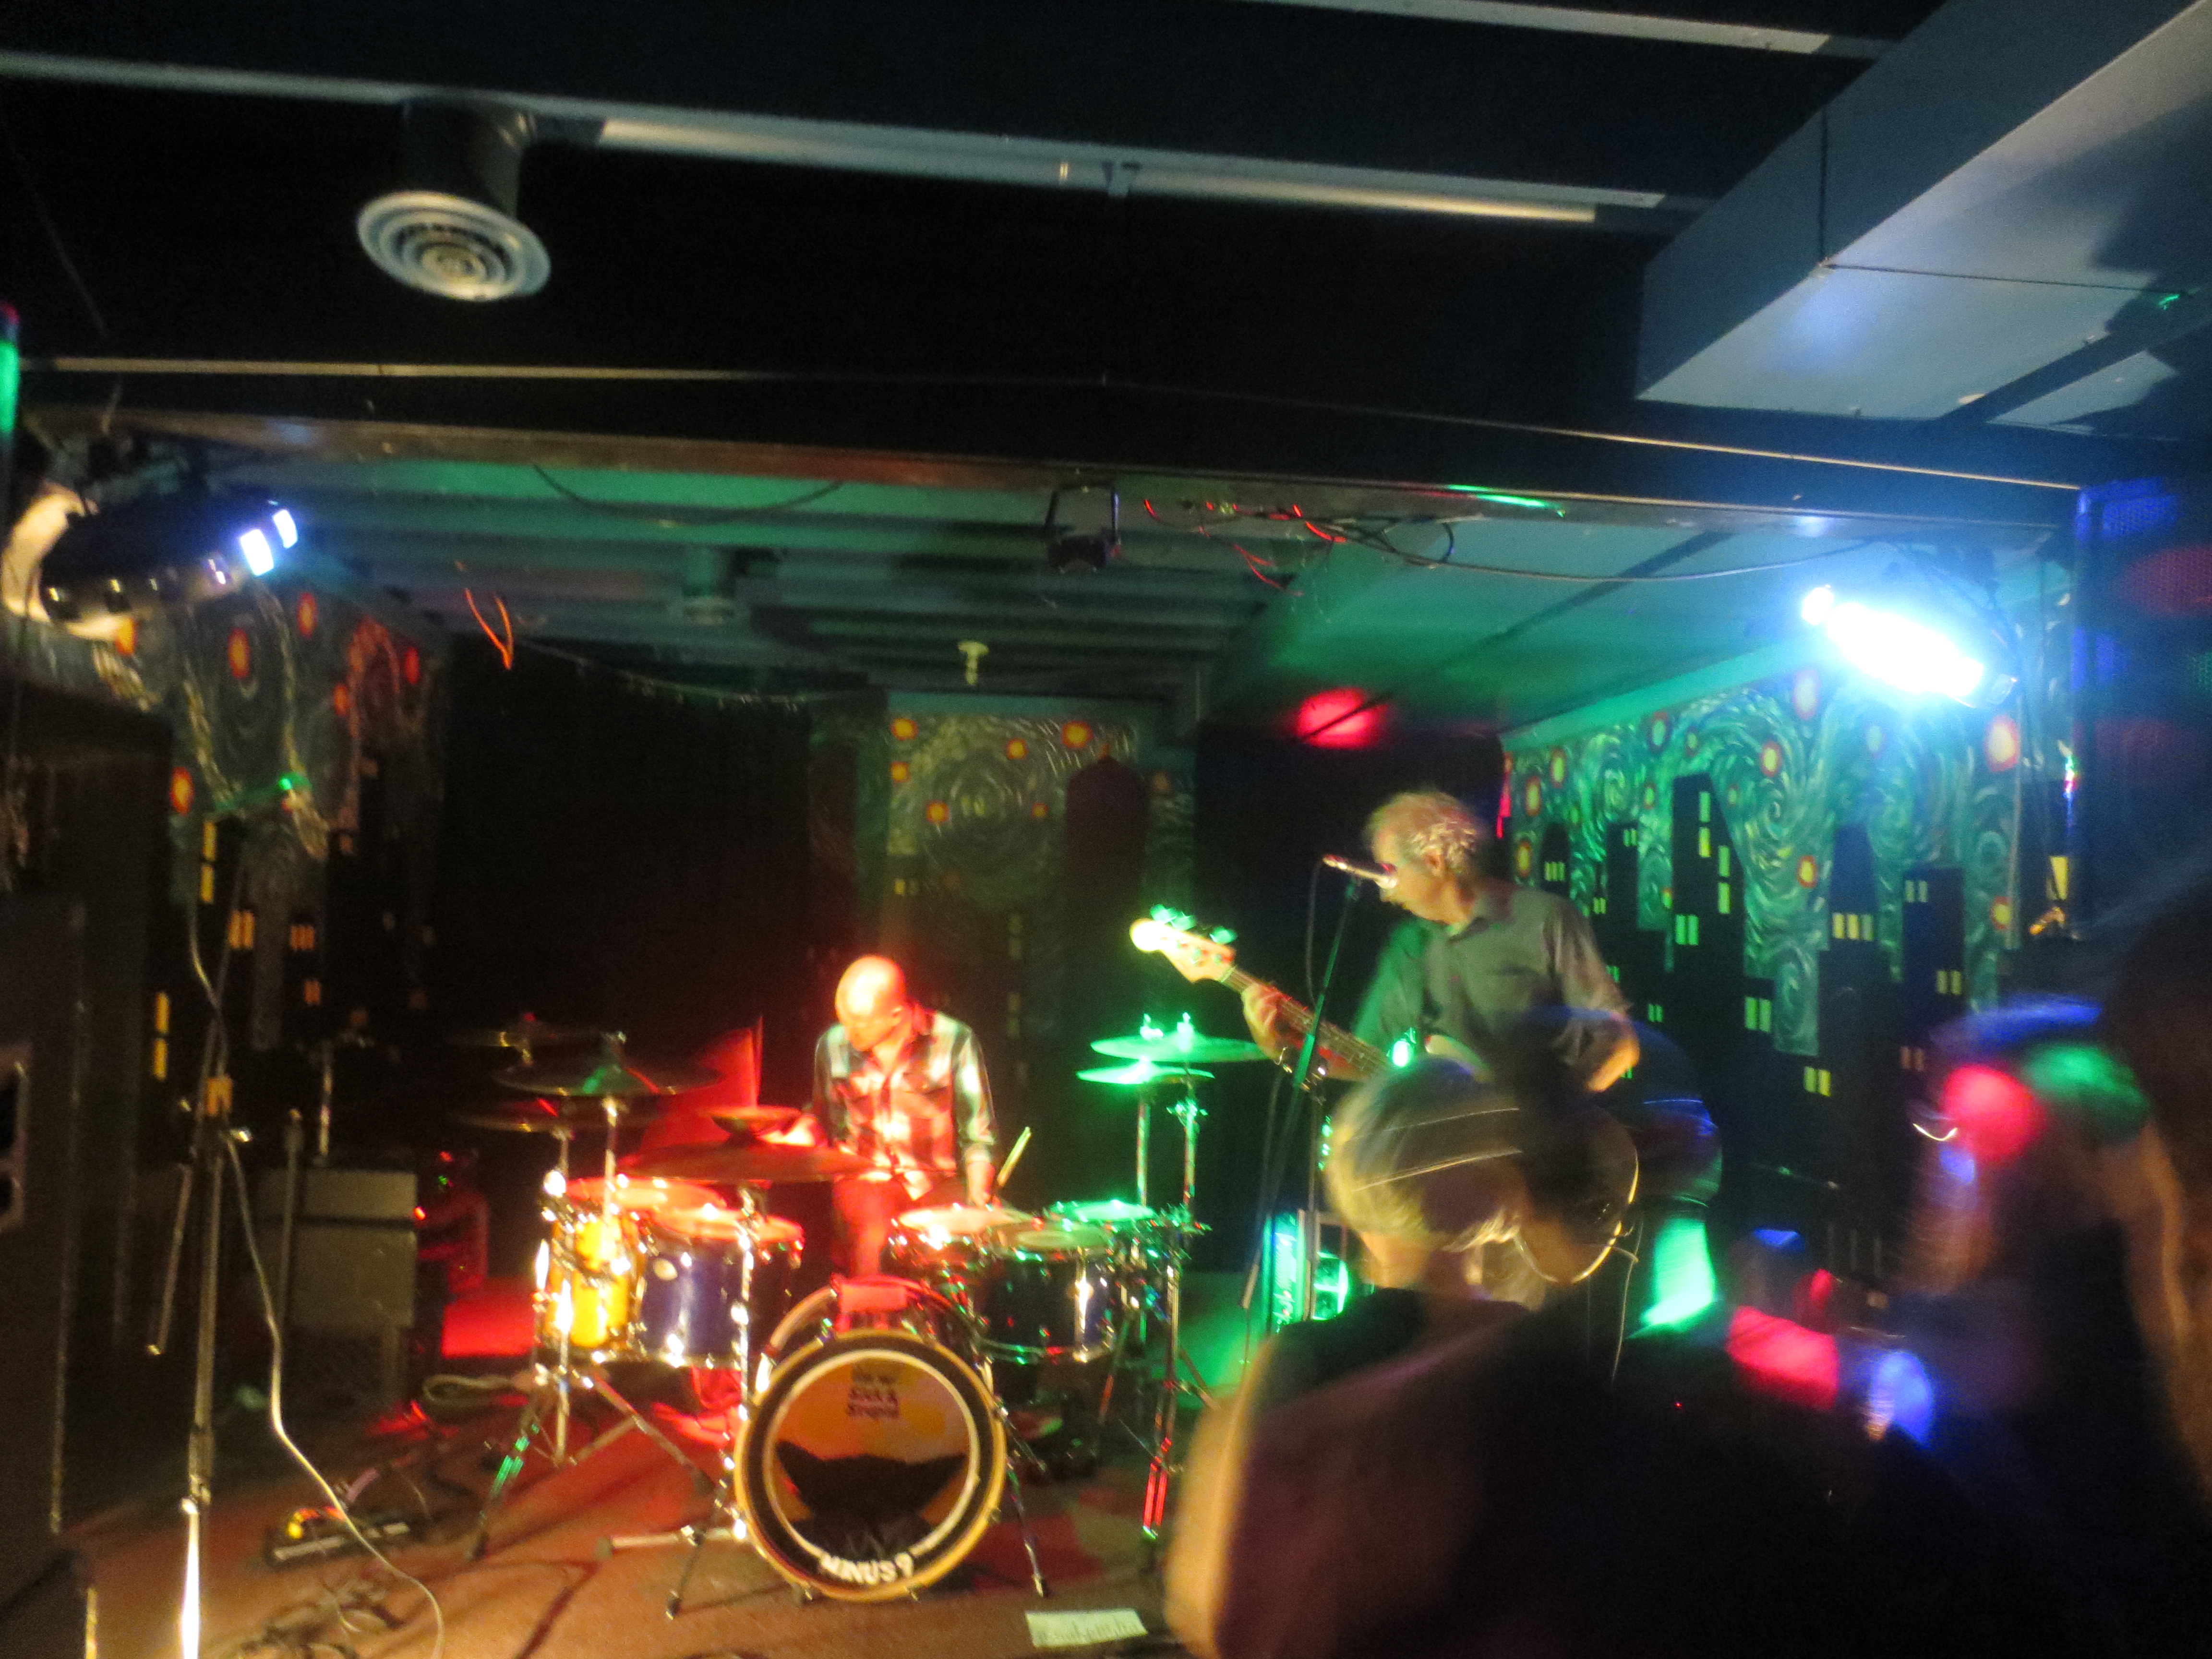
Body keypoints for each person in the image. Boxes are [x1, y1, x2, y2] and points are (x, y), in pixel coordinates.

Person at [1241, 789, 1635, 1092]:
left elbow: (1619, 1043)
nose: (1386, 894)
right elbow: (1365, 1060)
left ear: (1433, 861)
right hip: (1453, 1151)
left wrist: (1562, 1113)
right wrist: (1282, 1047)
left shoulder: (1545, 918)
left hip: (1545, 1148)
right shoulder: (1408, 945)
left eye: (1390, 873)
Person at [806, 955, 995, 1275]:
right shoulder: (831, 1045)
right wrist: (787, 1139)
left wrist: (978, 1201)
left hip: (936, 1180)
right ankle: (872, 1308)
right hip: (865, 1177)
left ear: (895, 1015)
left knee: (976, 1247)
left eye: (859, 1023)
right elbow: (821, 1121)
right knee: (874, 1239)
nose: (848, 1033)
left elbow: (979, 1136)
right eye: (843, 1020)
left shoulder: (955, 1041)